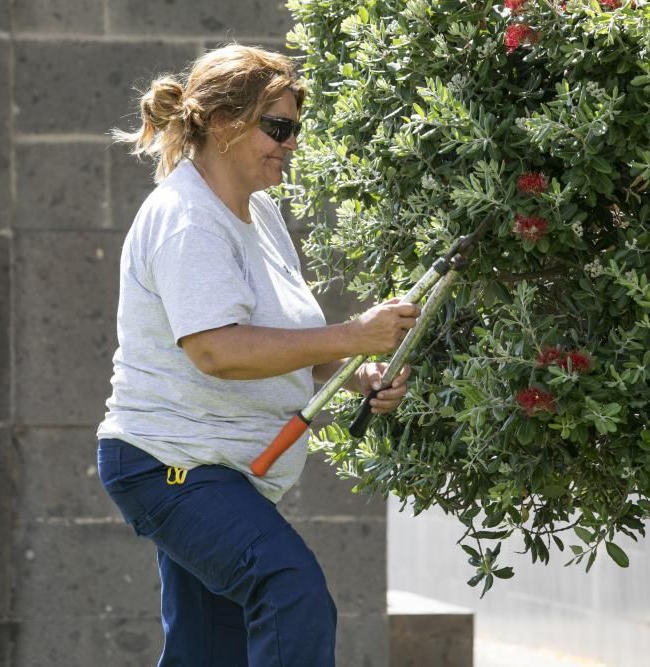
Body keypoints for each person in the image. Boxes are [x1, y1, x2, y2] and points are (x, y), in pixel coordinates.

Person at [96, 44, 420, 667]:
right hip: (174, 466)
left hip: (221, 470)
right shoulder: (188, 219)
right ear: (223, 123)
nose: (290, 141)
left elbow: (284, 343)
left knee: (207, 651)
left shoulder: (261, 214)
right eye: (278, 126)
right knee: (290, 589)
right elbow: (217, 350)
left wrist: (360, 376)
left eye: (295, 126)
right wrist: (357, 334)